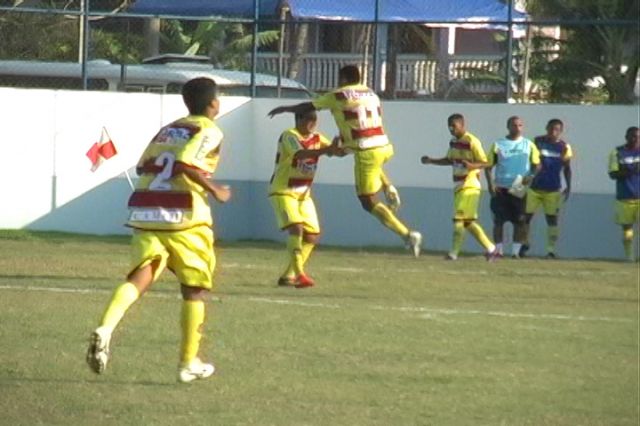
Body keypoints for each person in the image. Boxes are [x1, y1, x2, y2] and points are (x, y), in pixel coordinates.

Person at [86, 77, 231, 383]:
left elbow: (143, 166)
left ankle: (106, 327)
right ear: (212, 103)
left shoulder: (168, 129)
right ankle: (188, 362)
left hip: (146, 207)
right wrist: (215, 189)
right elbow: (184, 163)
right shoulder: (209, 129)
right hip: (183, 215)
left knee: (142, 274)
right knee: (195, 288)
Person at [267, 65, 422, 257]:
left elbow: (309, 106)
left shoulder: (339, 94)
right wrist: (333, 148)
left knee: (367, 201)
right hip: (382, 144)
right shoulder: (372, 93)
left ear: (342, 79)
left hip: (364, 148)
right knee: (367, 163)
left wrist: (285, 108)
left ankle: (407, 235)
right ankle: (388, 186)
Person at [269, 110, 341, 288]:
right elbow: (300, 154)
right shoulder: (289, 135)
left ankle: (288, 275)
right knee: (296, 228)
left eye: (314, 119)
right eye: (308, 118)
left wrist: (344, 146)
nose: (312, 123)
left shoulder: (317, 137)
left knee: (312, 236)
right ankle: (300, 275)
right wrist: (328, 149)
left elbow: (335, 152)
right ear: (298, 119)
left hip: (303, 195)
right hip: (283, 191)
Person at [421, 113, 499, 261]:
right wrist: (431, 161)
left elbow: (487, 163)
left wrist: (472, 166)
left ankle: (453, 253)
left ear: (462, 125)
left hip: (470, 185)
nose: (451, 129)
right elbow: (449, 160)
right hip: (458, 185)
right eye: (449, 126)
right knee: (468, 222)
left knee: (458, 219)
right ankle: (492, 249)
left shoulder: (472, 141)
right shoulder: (453, 142)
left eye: (454, 126)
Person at [485, 116, 540, 258]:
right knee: (498, 221)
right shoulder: (499, 144)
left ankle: (515, 252)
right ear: (508, 126)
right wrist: (491, 184)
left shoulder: (528, 144)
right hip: (501, 187)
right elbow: (488, 166)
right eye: (514, 125)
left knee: (520, 221)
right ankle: (499, 250)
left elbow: (537, 164)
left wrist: (531, 175)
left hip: (519, 187)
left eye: (520, 125)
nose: (517, 128)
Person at [523, 119, 573, 258]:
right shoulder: (537, 141)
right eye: (551, 128)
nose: (553, 132)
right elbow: (529, 161)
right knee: (525, 218)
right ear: (546, 128)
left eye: (556, 129)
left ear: (560, 131)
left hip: (553, 189)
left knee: (552, 219)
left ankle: (550, 250)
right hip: (534, 187)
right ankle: (524, 244)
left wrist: (568, 186)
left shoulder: (564, 147)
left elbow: (567, 168)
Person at [608, 126, 640, 262]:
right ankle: (629, 257)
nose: (635, 139)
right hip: (625, 196)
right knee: (627, 229)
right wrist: (631, 171)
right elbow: (613, 174)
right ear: (626, 137)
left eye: (638, 137)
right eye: (633, 136)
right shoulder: (617, 152)